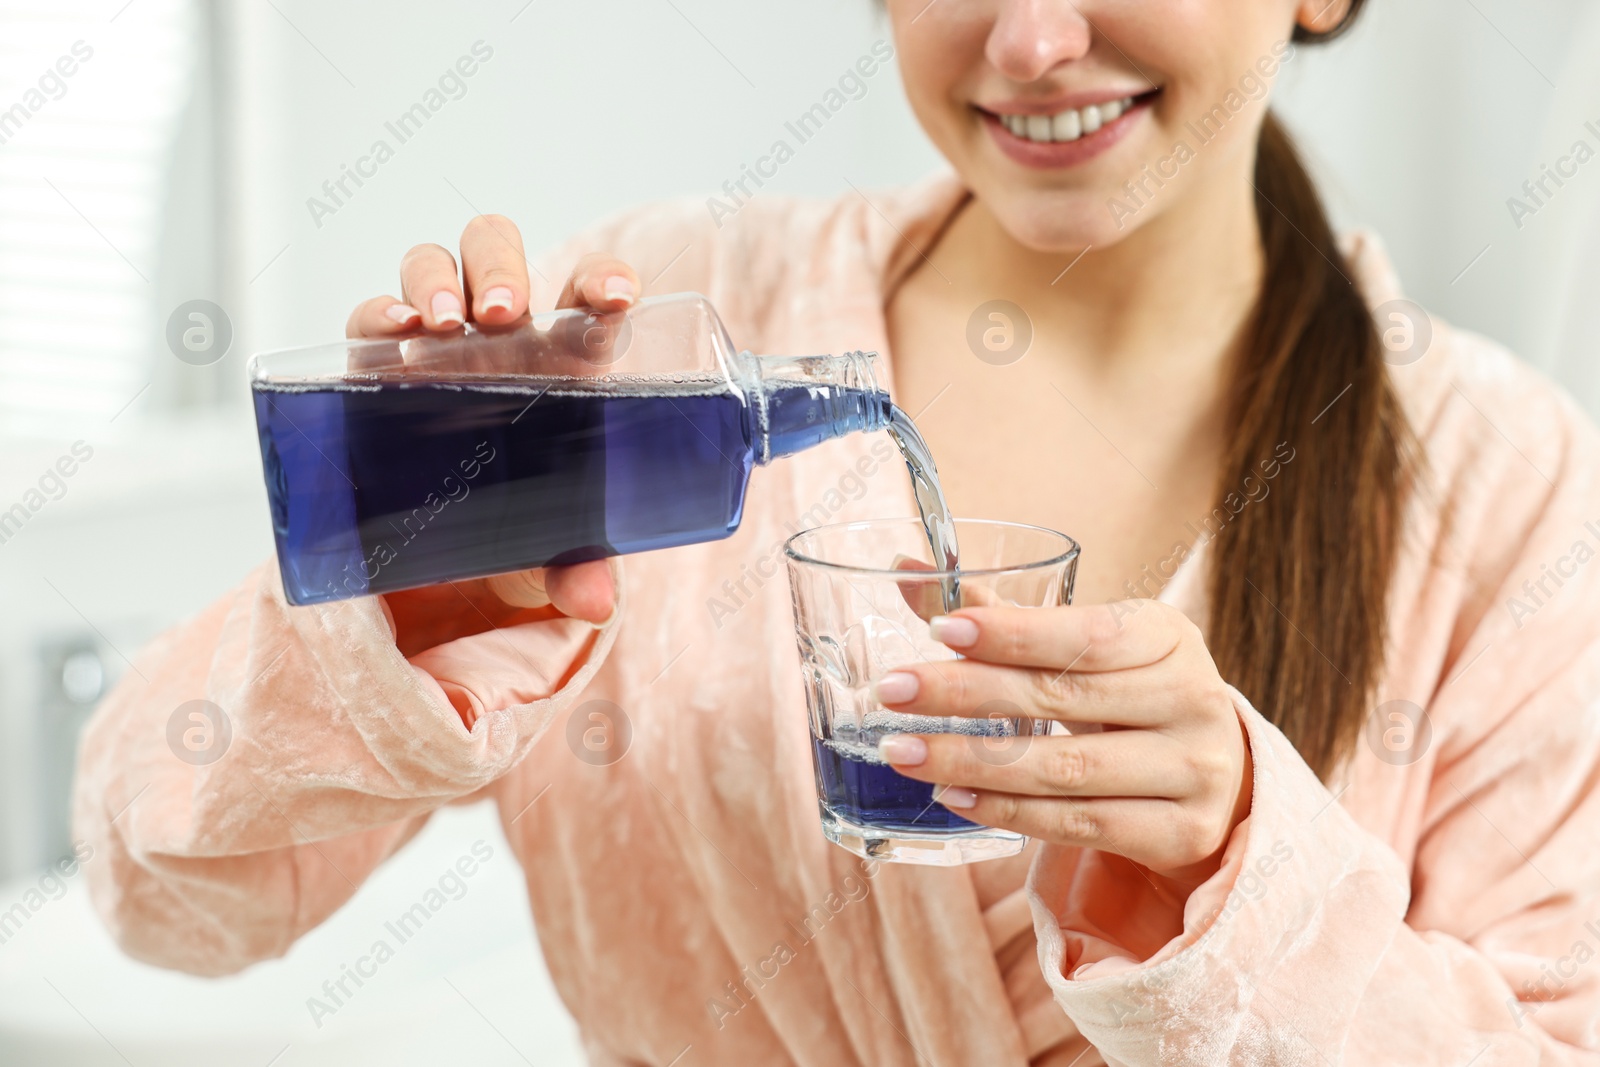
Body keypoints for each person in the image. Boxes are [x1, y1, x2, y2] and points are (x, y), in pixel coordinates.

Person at [75, 0, 1600, 1063]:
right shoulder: (657, 330)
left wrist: (1240, 884)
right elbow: (162, 903)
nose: (1034, 39)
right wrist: (404, 634)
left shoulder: (1505, 482)